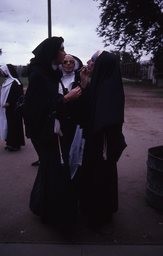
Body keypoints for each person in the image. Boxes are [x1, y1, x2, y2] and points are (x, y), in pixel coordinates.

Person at [23, 36, 82, 230]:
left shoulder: (49, 73)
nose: (65, 53)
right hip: (45, 134)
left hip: (53, 133)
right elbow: (37, 109)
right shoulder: (39, 75)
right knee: (56, 172)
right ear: (52, 53)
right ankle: (58, 219)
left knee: (51, 171)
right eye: (62, 49)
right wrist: (66, 98)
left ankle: (42, 206)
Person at [77, 50, 127, 228]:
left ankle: (99, 214)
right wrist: (84, 84)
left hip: (102, 145)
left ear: (101, 65)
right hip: (97, 142)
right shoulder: (101, 83)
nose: (89, 63)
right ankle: (96, 211)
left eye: (93, 60)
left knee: (100, 177)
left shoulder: (108, 87)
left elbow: (106, 118)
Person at [0, 64, 25, 151]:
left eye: (3, 71)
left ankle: (16, 144)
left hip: (14, 108)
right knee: (8, 124)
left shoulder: (16, 82)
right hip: (7, 108)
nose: (2, 73)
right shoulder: (7, 81)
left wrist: (9, 102)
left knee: (14, 125)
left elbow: (18, 95)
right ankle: (9, 142)